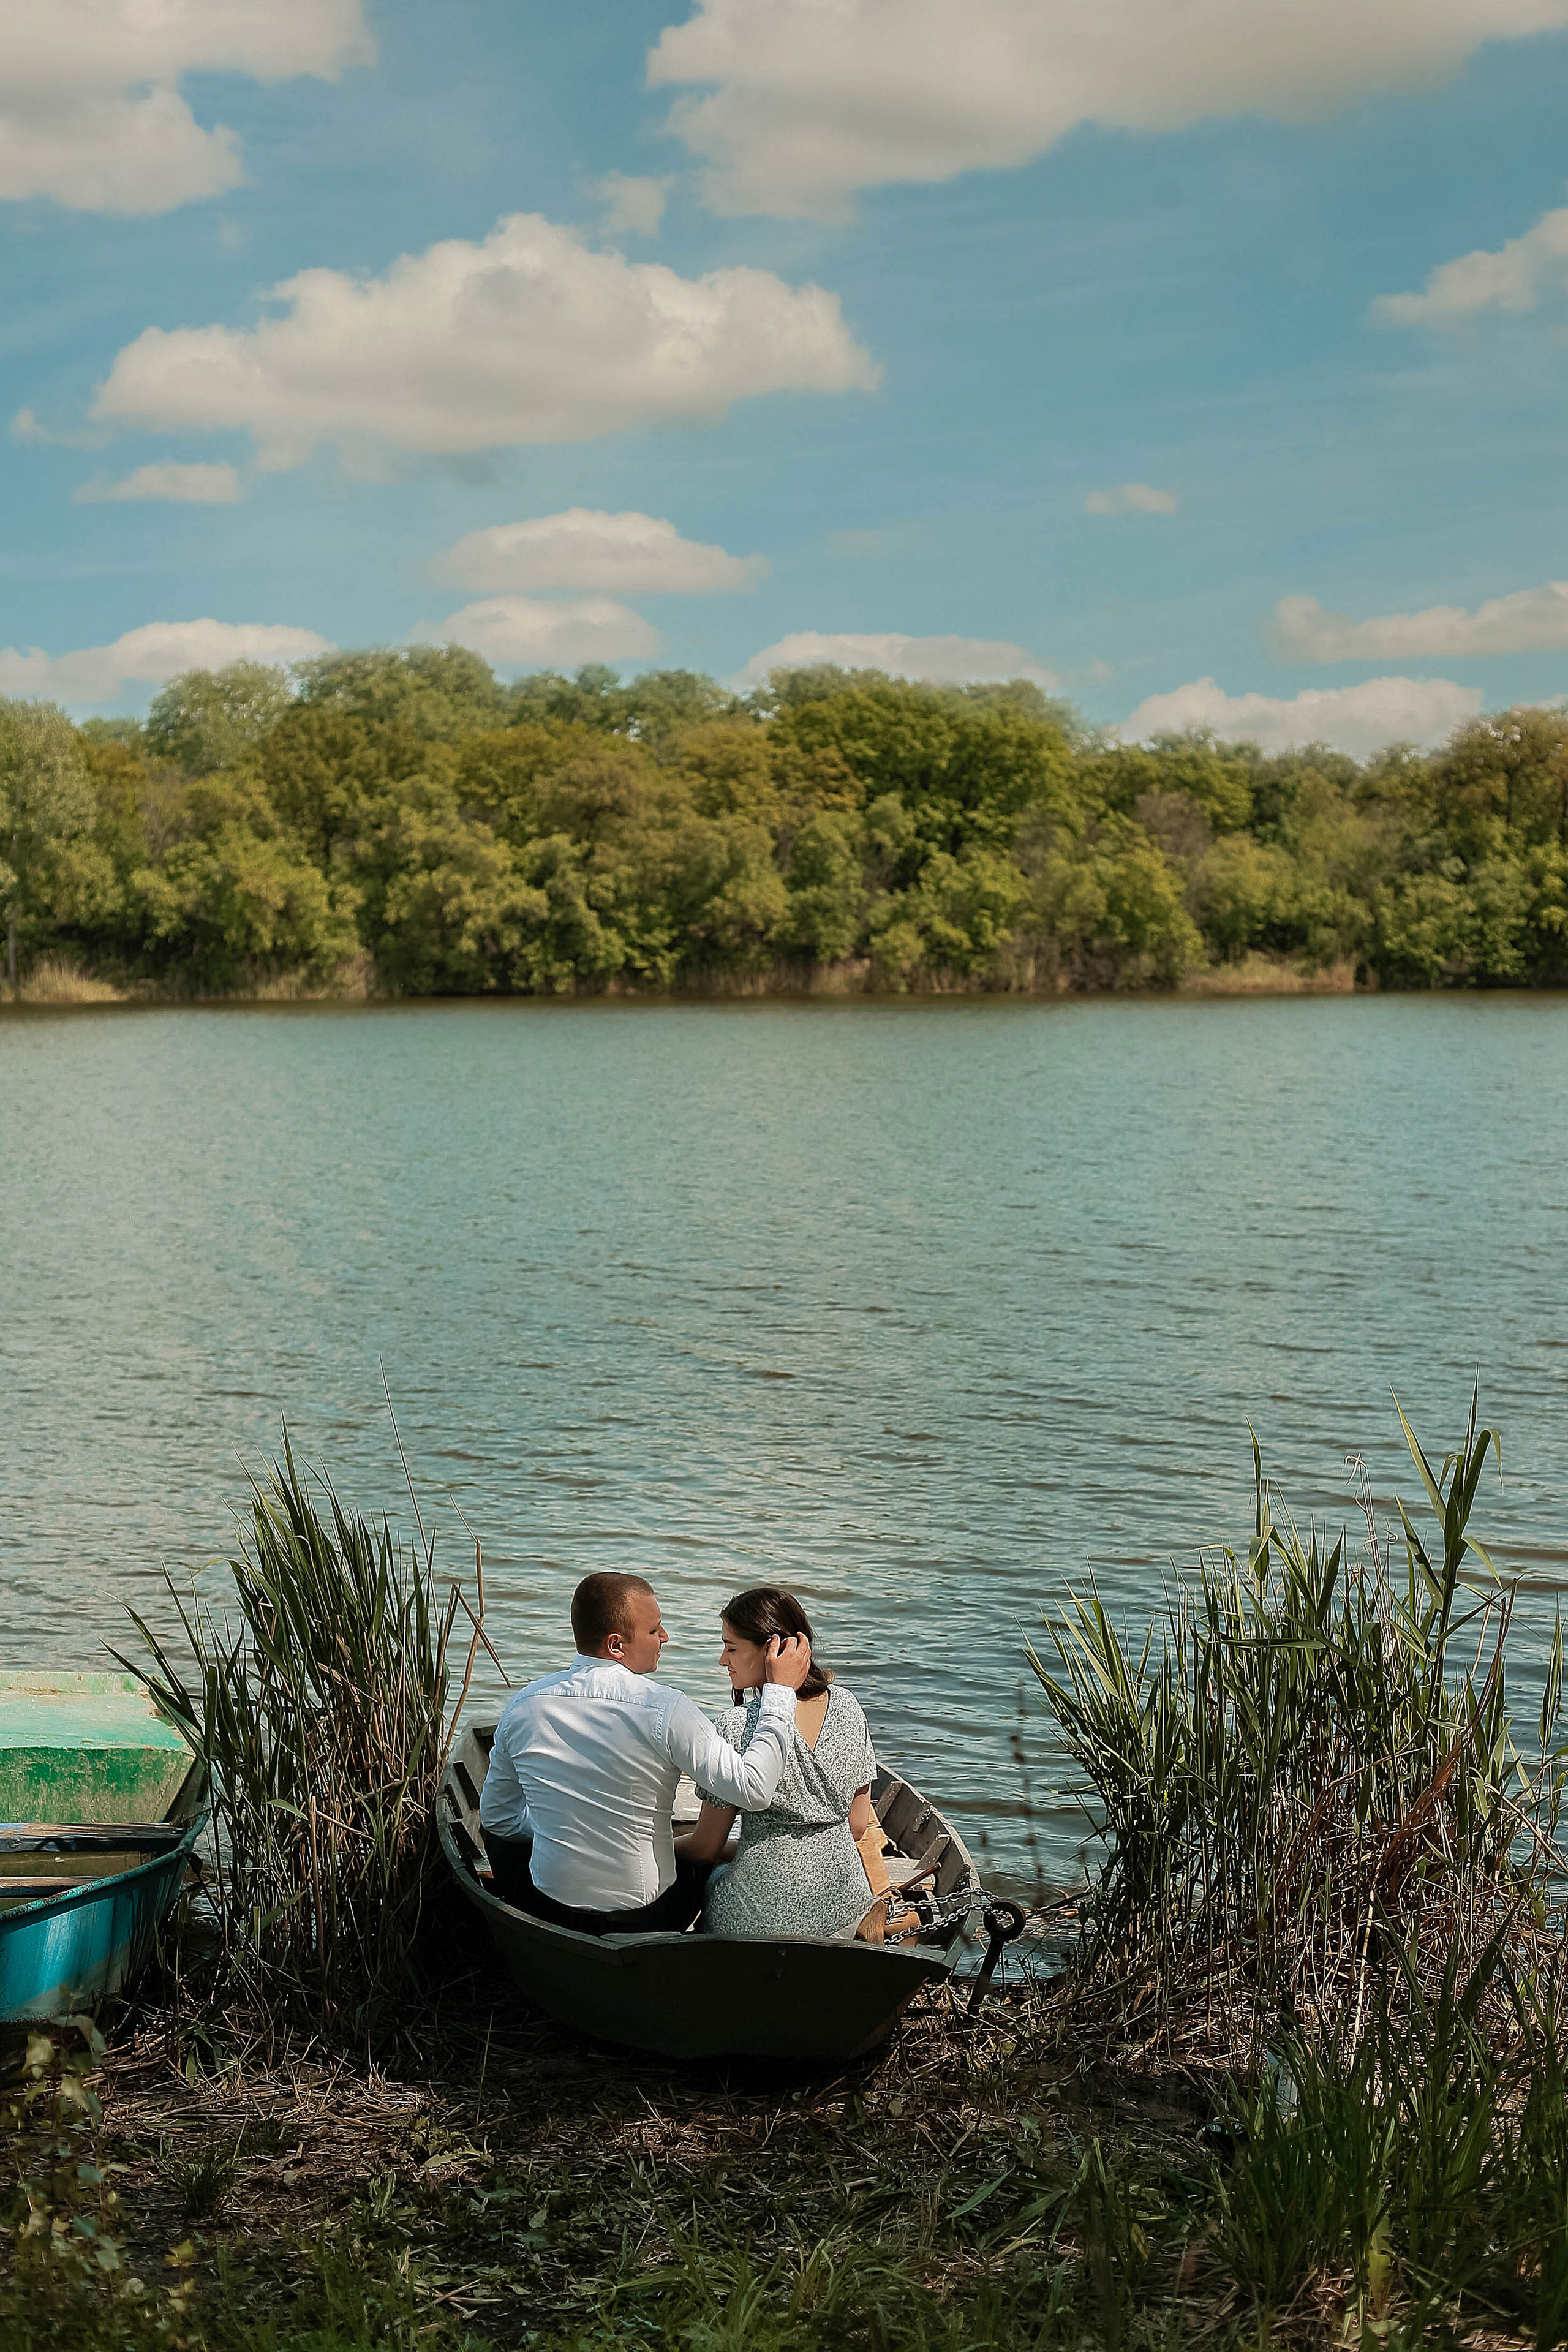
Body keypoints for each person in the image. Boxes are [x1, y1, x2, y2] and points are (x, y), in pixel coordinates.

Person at [478, 1570, 813, 1937]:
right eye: (655, 1631)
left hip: (550, 1906)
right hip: (647, 1914)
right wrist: (780, 1694)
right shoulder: (665, 1708)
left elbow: (498, 1818)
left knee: (499, 1837)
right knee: (703, 1859)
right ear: (617, 1645)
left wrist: (555, 1826)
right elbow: (754, 1789)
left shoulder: (523, 1705)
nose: (665, 1638)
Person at [677, 1586, 879, 1942]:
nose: (723, 1661)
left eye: (731, 1647)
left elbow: (706, 1847)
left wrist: (661, 1843)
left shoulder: (737, 1725)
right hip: (845, 1908)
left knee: (697, 1873)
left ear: (775, 1649)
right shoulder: (849, 1706)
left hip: (755, 1922)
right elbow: (858, 1826)